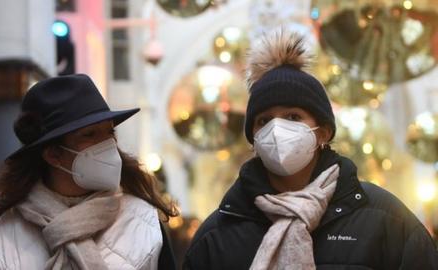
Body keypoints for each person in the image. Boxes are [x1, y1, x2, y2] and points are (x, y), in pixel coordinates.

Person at [183, 31, 438, 269]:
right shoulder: (217, 235)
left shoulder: (384, 219)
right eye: (264, 120)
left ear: (323, 133)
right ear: (254, 138)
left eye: (293, 117)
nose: (277, 128)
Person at [0, 74, 178, 270]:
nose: (108, 144)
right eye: (90, 134)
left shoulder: (144, 221)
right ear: (53, 154)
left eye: (110, 131)